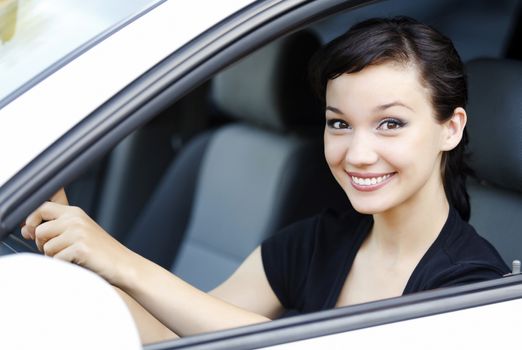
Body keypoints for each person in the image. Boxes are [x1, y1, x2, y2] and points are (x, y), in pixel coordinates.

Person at [20, 16, 509, 344]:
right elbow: (183, 331)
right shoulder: (319, 239)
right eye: (339, 123)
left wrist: (119, 258)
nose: (358, 154)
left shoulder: (474, 288)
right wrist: (67, 257)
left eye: (391, 123)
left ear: (451, 128)